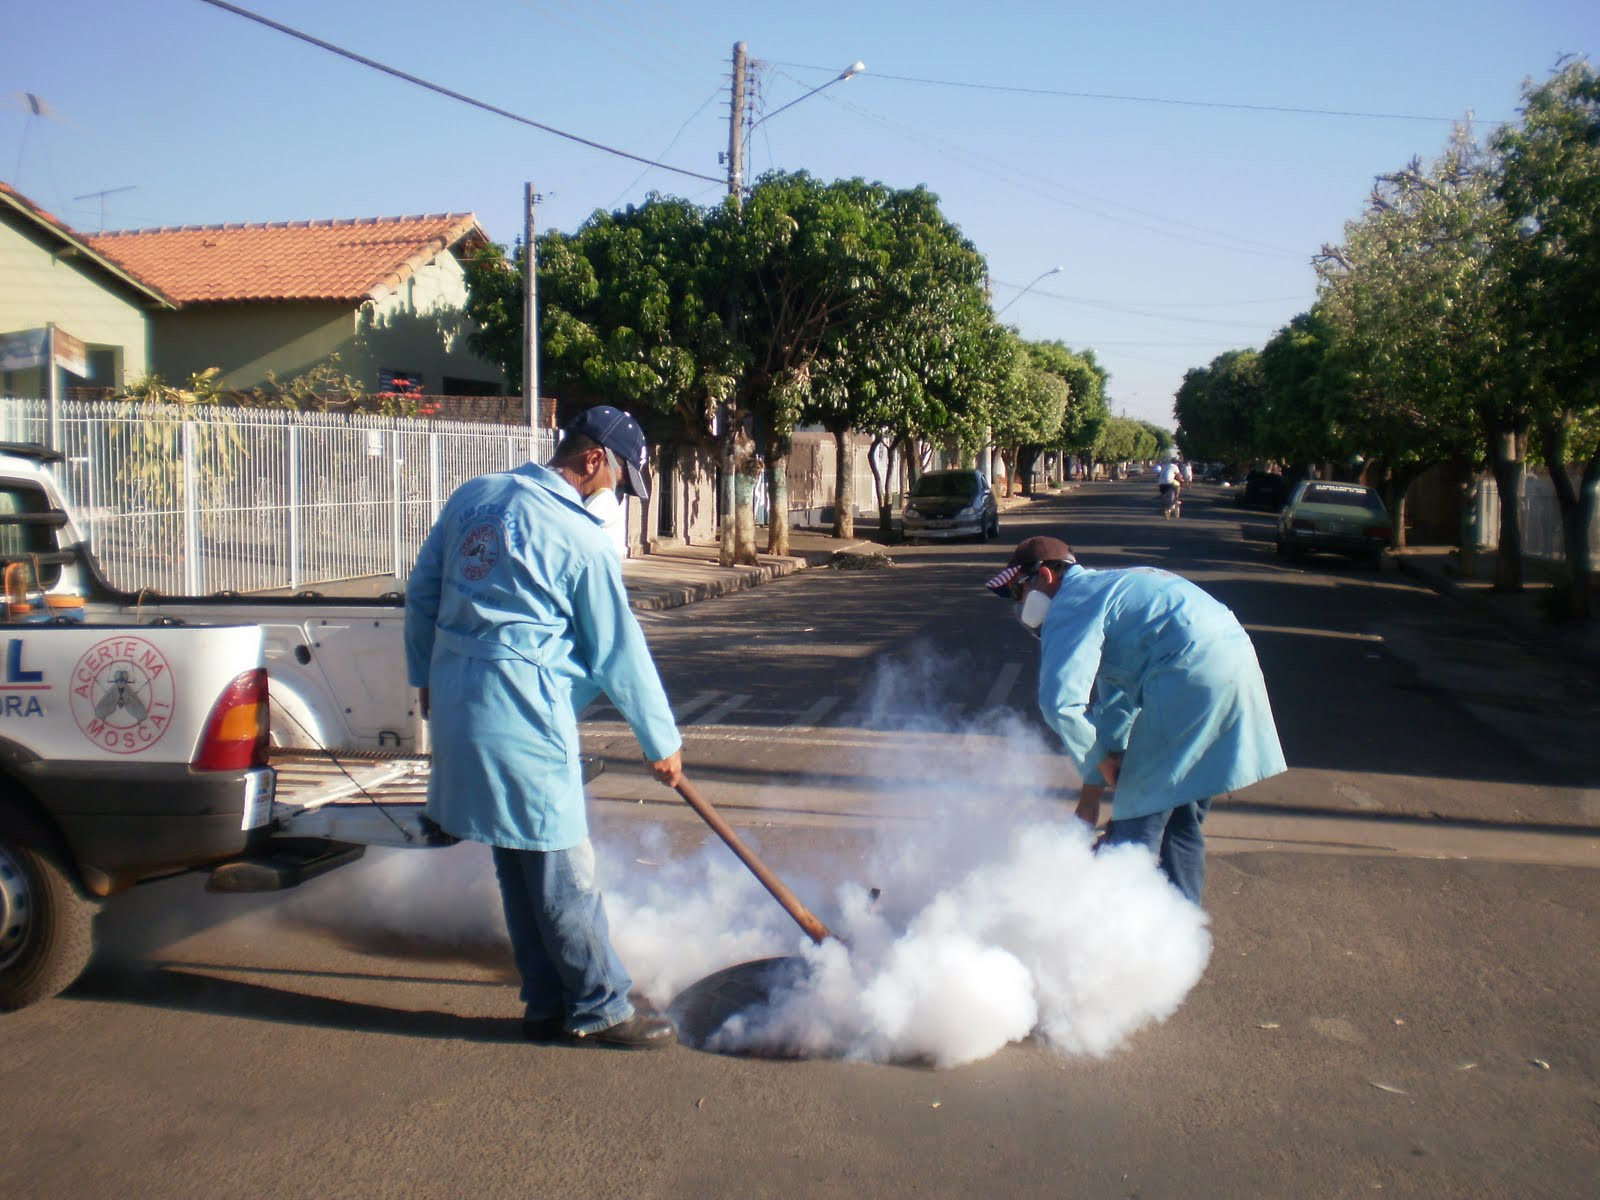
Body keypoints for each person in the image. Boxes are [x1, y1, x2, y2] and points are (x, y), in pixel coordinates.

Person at [405, 404, 683, 1049]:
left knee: (518, 862)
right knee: (562, 871)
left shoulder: (474, 496)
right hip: (523, 714)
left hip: (458, 702)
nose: (616, 493)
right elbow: (619, 650)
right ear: (592, 461)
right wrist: (661, 743)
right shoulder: (579, 537)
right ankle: (602, 1007)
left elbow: (422, 594)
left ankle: (544, 1003)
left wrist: (425, 680)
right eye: (618, 478)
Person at [985, 536, 1286, 905]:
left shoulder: (1071, 602)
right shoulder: (1109, 590)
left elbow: (1060, 704)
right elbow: (1116, 708)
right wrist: (1091, 793)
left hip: (1187, 678)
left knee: (1133, 827)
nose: (1020, 604)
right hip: (1234, 668)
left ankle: (1119, 946)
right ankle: (1179, 940)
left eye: (1020, 591)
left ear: (1045, 576)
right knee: (1181, 821)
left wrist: (1101, 763)